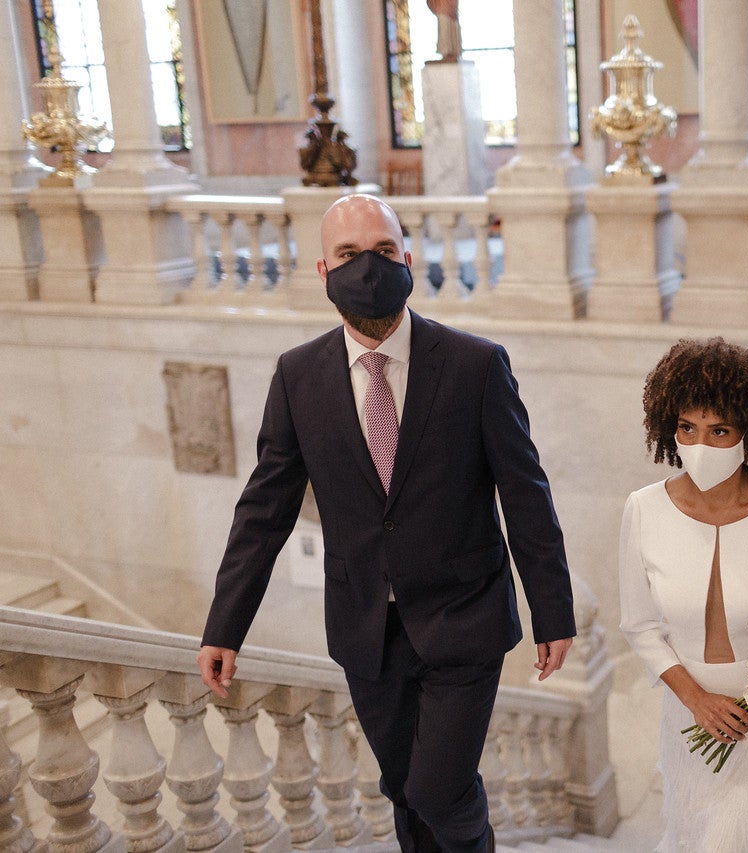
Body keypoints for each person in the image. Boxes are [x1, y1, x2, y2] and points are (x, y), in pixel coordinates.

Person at [197, 193, 575, 853]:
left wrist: (554, 608)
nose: (367, 267)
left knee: (438, 789)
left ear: (406, 256)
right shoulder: (297, 376)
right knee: (403, 788)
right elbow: (265, 508)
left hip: (466, 617)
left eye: (381, 250)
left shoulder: (475, 364)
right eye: (348, 254)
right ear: (322, 269)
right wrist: (225, 623)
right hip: (366, 627)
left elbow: (525, 491)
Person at [618, 337, 748, 850]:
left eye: (719, 431)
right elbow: (640, 626)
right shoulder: (643, 509)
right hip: (688, 713)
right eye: (687, 427)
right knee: (691, 836)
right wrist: (696, 701)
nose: (699, 445)